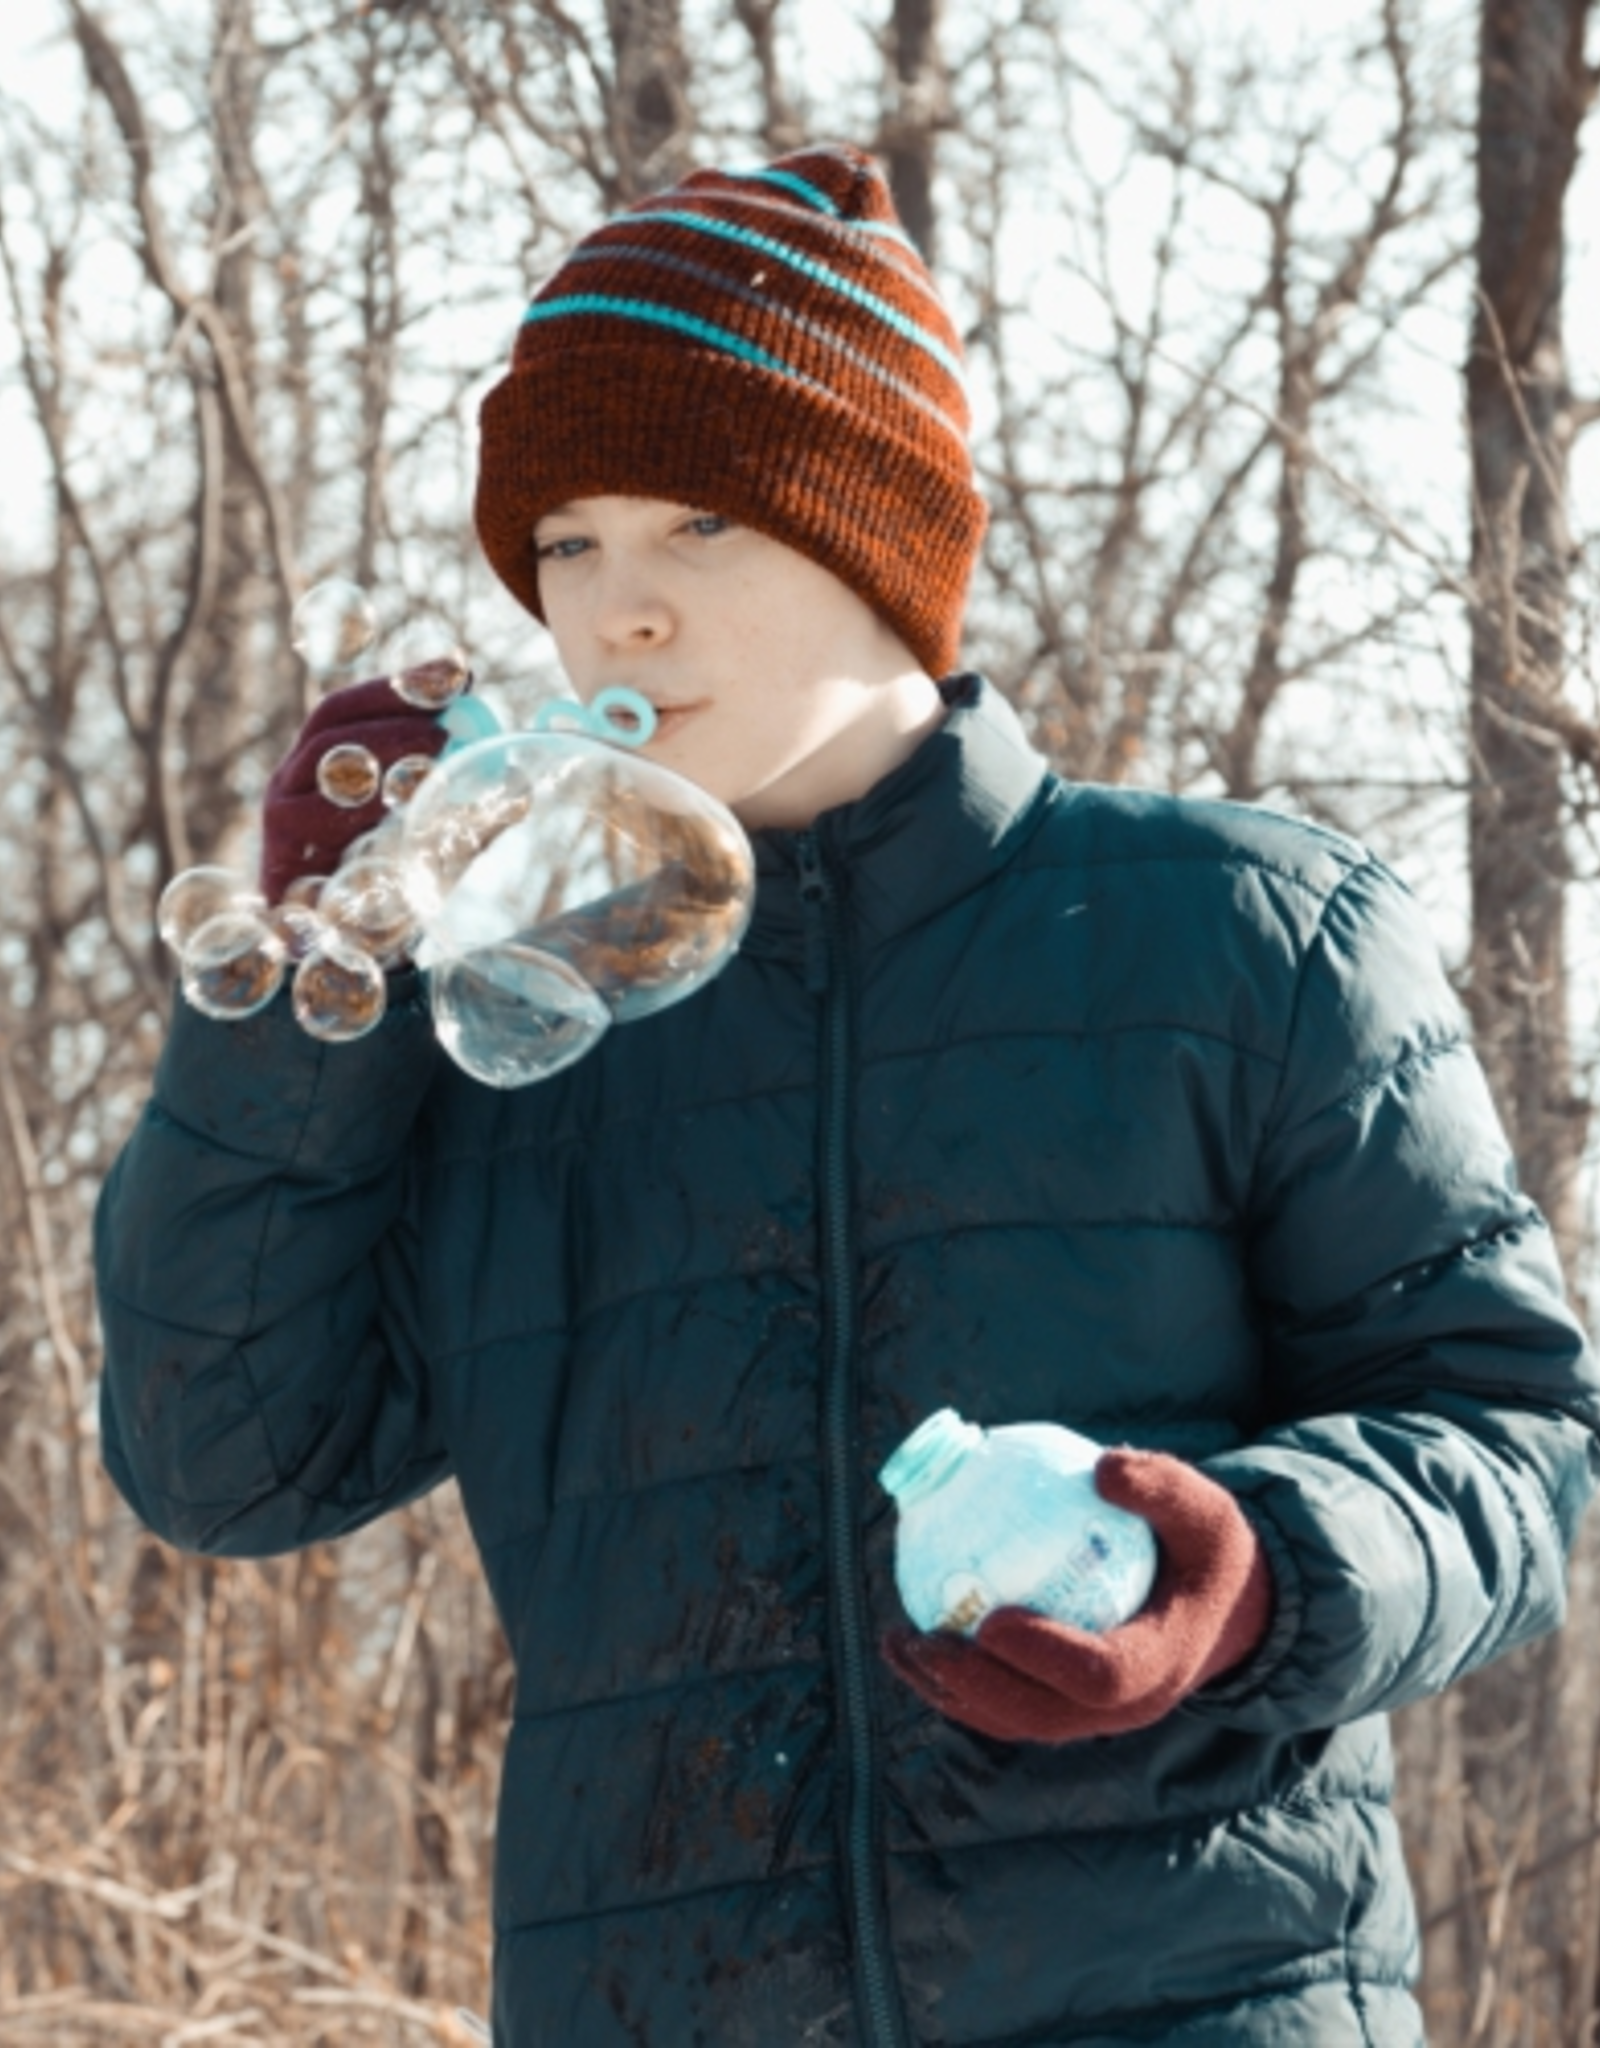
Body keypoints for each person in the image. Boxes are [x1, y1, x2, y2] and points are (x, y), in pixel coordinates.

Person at [95, 141, 1600, 2047]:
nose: (616, 611)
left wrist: (1249, 1576)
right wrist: (311, 1009)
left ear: (868, 529)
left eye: (698, 526)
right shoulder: (516, 1005)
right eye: (567, 543)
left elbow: (1510, 1438)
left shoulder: (1243, 933)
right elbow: (227, 1461)